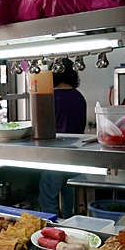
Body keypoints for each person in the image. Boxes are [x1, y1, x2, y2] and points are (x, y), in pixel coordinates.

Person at [38, 59, 87, 218]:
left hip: (55, 156)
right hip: (75, 157)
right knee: (70, 202)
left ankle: (51, 227)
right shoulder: (79, 97)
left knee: (49, 201)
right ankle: (71, 226)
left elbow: (42, 128)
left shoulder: (50, 97)